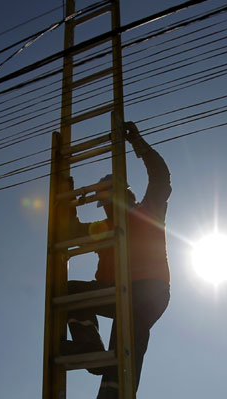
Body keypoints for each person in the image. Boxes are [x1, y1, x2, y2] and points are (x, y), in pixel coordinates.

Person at [65, 121, 171, 399]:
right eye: (105, 202)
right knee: (69, 293)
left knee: (128, 341)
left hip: (147, 290)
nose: (109, 206)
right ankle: (90, 349)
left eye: (110, 198)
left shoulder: (147, 211)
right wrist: (68, 197)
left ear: (126, 194)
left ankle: (116, 391)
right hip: (117, 292)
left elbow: (160, 177)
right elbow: (71, 232)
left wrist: (137, 142)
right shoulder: (104, 228)